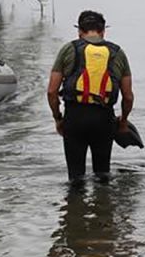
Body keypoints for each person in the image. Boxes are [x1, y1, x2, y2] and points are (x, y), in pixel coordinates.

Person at [47, 10, 134, 183]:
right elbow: (128, 96)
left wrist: (58, 119)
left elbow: (51, 92)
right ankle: (103, 206)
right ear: (103, 31)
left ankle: (74, 207)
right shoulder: (117, 53)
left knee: (75, 179)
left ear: (79, 31)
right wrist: (123, 122)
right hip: (104, 120)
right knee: (103, 177)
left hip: (74, 119)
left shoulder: (68, 49)